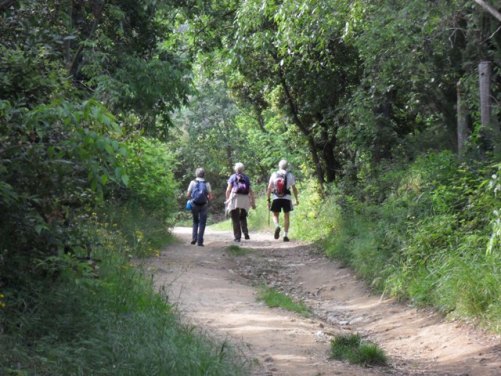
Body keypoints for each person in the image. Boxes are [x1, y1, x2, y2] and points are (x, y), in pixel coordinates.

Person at [266, 159, 299, 242]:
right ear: (287, 167)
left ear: (279, 166)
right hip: (287, 198)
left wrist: (268, 200)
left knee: (275, 215)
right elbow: (294, 188)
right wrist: (296, 199)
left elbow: (269, 188)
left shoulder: (274, 174)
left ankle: (277, 225)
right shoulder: (290, 175)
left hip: (276, 197)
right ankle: (285, 235)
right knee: (286, 216)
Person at [225, 162, 256, 242]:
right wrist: (252, 202)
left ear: (235, 169)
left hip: (235, 198)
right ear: (243, 169)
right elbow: (251, 191)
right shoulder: (246, 178)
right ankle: (246, 233)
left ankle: (237, 237)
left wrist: (228, 200)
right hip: (245, 198)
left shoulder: (232, 177)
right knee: (243, 216)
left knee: (235, 218)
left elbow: (228, 190)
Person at [186, 167, 213, 246]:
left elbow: (188, 195)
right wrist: (207, 199)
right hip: (204, 204)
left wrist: (191, 199)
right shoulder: (207, 183)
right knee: (202, 223)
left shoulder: (192, 182)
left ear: (196, 174)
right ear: (204, 174)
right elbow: (210, 197)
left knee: (195, 221)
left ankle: (194, 239)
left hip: (194, 204)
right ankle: (200, 241)